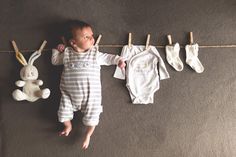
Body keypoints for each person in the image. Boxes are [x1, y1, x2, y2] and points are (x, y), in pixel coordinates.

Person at [51, 20, 125, 149]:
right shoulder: (67, 54)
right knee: (62, 115)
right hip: (69, 96)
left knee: (93, 117)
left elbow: (109, 58)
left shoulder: (95, 54)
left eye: (92, 35)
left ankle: (88, 135)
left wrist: (118, 60)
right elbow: (55, 61)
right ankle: (68, 126)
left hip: (91, 97)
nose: (92, 38)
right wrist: (56, 50)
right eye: (87, 37)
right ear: (73, 42)